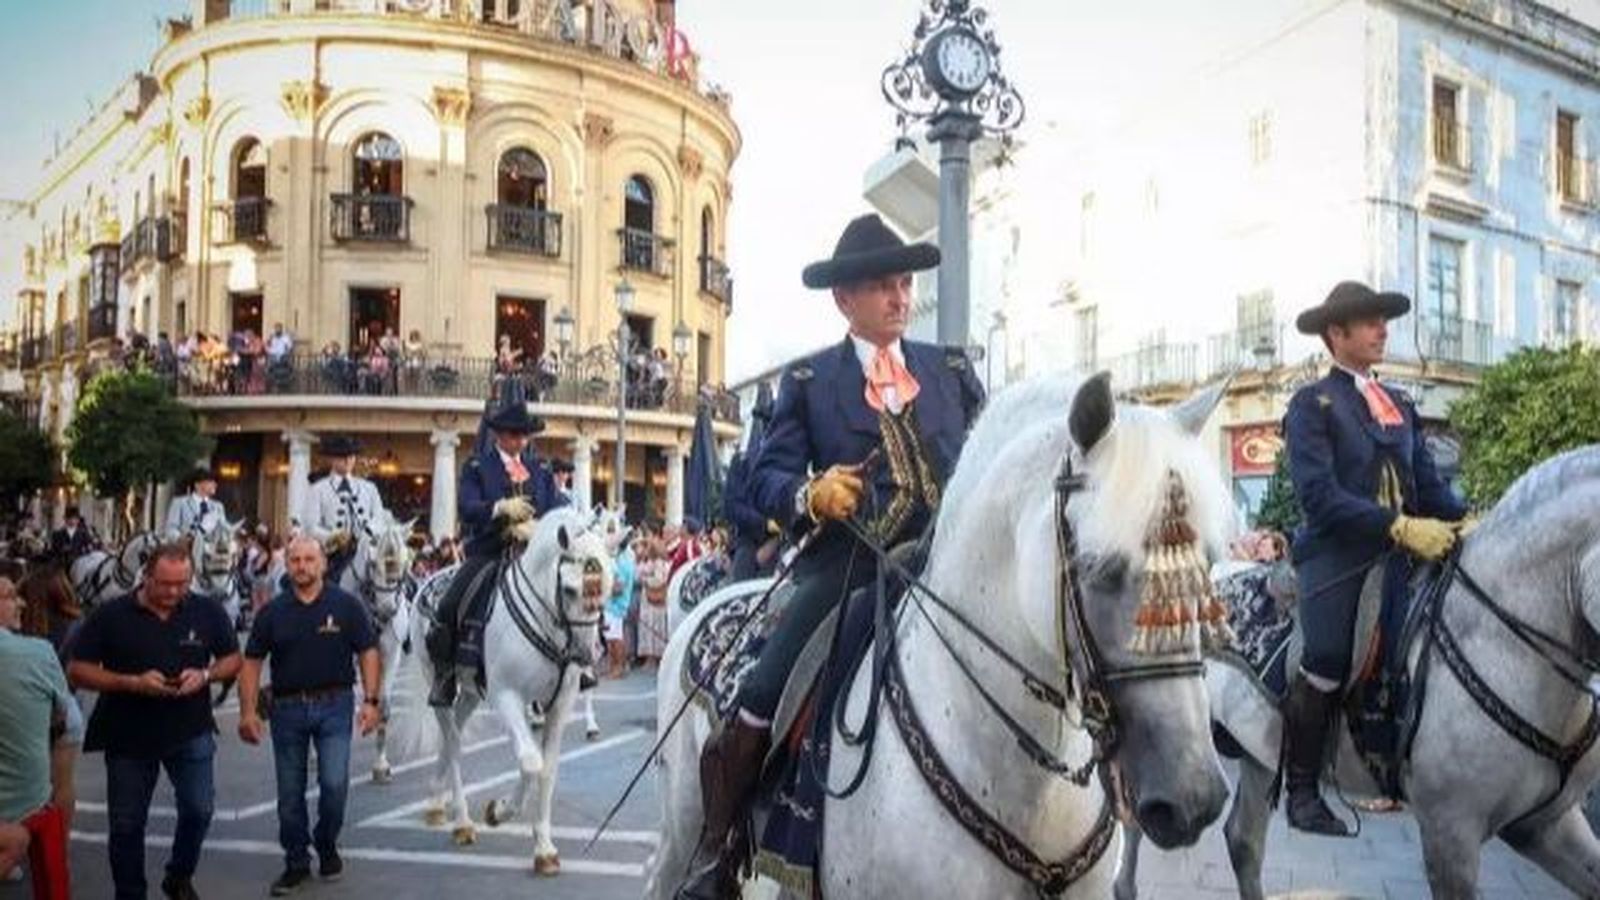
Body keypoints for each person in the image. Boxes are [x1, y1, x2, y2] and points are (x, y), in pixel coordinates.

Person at [675, 213, 985, 897]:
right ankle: (720, 847)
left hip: (945, 564)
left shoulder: (951, 370)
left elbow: (986, 456)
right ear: (845, 299)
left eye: (905, 284)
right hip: (847, 565)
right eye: (882, 287)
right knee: (769, 682)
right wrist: (811, 493)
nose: (901, 298)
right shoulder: (812, 381)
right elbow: (762, 478)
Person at [1280, 281, 1469, 836]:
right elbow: (1320, 497)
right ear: (1336, 334)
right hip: (1338, 555)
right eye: (1370, 322)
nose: (1383, 330)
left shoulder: (1401, 406)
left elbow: (1430, 488)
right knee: (1329, 656)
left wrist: (1464, 519)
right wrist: (1399, 525)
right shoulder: (1311, 404)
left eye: (1384, 321)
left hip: (1403, 555)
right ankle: (1302, 790)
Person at [66, 543, 241, 900]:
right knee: (127, 824)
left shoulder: (206, 610)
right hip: (128, 734)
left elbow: (233, 658)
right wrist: (130, 682)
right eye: (164, 584)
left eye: (182, 583)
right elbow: (78, 669)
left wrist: (206, 676)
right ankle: (130, 893)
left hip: (190, 727)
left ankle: (179, 874)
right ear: (146, 576)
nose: (174, 592)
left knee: (199, 808)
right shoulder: (111, 615)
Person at [237, 537, 381, 896]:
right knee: (290, 794)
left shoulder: (346, 605)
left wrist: (372, 701)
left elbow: (368, 651)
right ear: (287, 565)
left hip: (335, 705)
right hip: (287, 709)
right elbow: (252, 661)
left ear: (322, 564)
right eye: (295, 560)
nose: (302, 566)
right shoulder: (273, 611)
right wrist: (247, 711)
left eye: (309, 559)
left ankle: (326, 841)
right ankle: (296, 862)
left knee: (334, 784)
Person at [426, 400, 568, 707]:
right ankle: (446, 672)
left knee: (573, 592)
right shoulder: (478, 466)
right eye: (514, 435)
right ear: (500, 436)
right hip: (491, 550)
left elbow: (557, 506)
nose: (520, 441)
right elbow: (467, 507)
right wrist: (499, 509)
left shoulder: (540, 469)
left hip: (534, 552)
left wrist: (540, 526)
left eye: (524, 435)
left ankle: (575, 661)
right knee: (452, 601)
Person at [0, 576, 82, 900]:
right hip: (22, 800)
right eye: (10, 596)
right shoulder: (37, 651)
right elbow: (60, 718)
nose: (20, 602)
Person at [297, 434, 388, 586]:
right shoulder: (318, 489)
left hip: (366, 550)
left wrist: (368, 533)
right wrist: (334, 537)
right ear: (332, 460)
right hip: (333, 555)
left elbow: (379, 517)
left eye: (351, 456)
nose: (348, 460)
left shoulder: (369, 488)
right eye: (342, 457)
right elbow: (311, 526)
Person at [163, 469, 226, 538]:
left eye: (215, 482)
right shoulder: (180, 503)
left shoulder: (218, 506)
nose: (215, 485)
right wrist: (186, 538)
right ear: (197, 485)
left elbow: (223, 531)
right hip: (186, 546)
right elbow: (170, 529)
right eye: (210, 482)